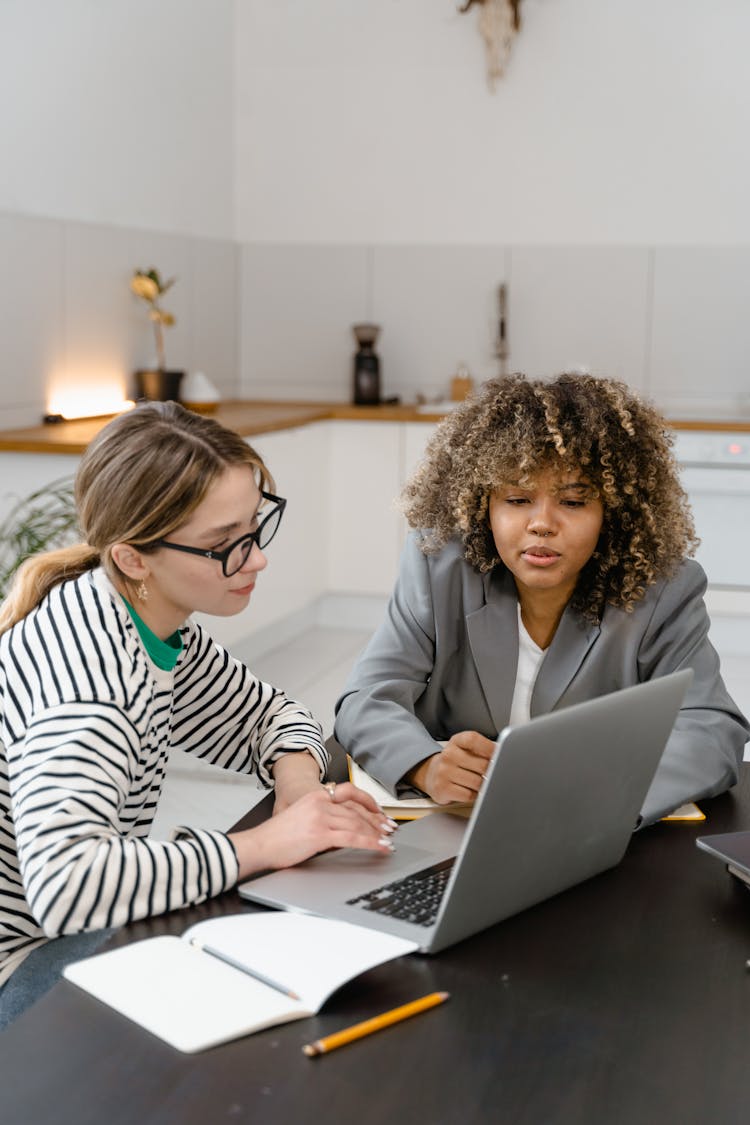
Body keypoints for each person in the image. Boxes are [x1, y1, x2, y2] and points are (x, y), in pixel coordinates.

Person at [0, 402, 394, 1027]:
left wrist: (297, 790)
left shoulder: (146, 622)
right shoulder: (91, 690)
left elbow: (271, 715)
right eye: (224, 546)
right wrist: (261, 844)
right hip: (20, 968)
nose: (256, 559)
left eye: (254, 529)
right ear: (134, 559)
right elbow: (67, 885)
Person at [334, 372, 749, 825]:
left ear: (612, 512)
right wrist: (424, 765)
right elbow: (366, 699)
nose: (542, 524)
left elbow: (712, 730)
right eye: (517, 498)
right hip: (453, 832)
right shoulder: (439, 567)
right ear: (482, 505)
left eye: (573, 502)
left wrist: (601, 795)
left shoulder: (662, 589)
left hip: (588, 841)